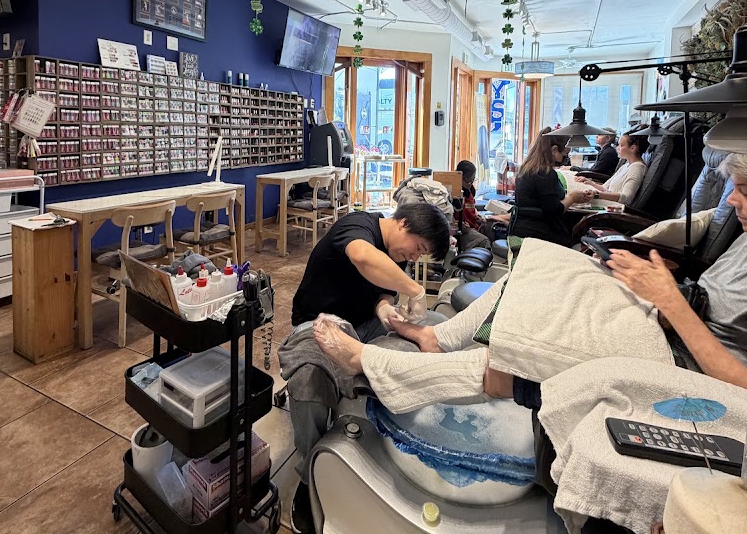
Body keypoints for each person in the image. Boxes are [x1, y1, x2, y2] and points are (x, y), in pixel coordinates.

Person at [311, 152, 747, 406]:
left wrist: (670, 300)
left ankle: (370, 361)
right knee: (534, 265)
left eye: (743, 190)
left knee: (518, 355)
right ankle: (435, 338)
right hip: (669, 317)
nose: (732, 200)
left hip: (677, 357)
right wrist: (667, 295)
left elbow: (736, 383)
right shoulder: (742, 240)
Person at [279, 202, 450, 534]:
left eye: (421, 255)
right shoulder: (358, 225)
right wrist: (415, 289)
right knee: (309, 380)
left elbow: (379, 292)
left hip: (363, 324)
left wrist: (385, 309)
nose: (415, 257)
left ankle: (386, 436)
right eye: (418, 248)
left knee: (435, 330)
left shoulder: (397, 256)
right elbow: (362, 257)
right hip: (319, 323)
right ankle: (309, 474)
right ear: (403, 223)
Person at [513, 130, 594, 246]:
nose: (565, 158)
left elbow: (545, 199)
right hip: (539, 231)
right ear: (554, 150)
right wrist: (572, 198)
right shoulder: (545, 173)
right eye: (565, 154)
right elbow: (554, 210)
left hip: (524, 227)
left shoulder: (527, 168)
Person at [578, 130, 647, 206]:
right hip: (607, 202)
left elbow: (626, 197)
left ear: (633, 148)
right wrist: (590, 182)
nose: (617, 148)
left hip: (613, 207)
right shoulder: (625, 166)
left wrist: (597, 194)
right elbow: (604, 188)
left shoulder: (637, 168)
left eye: (621, 145)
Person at [455, 159, 510, 250]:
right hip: (464, 229)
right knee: (484, 241)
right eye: (468, 181)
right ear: (460, 177)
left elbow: (472, 207)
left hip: (475, 223)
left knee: (495, 226)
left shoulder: (470, 190)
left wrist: (478, 216)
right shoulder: (452, 194)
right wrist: (458, 224)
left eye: (473, 180)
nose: (470, 183)